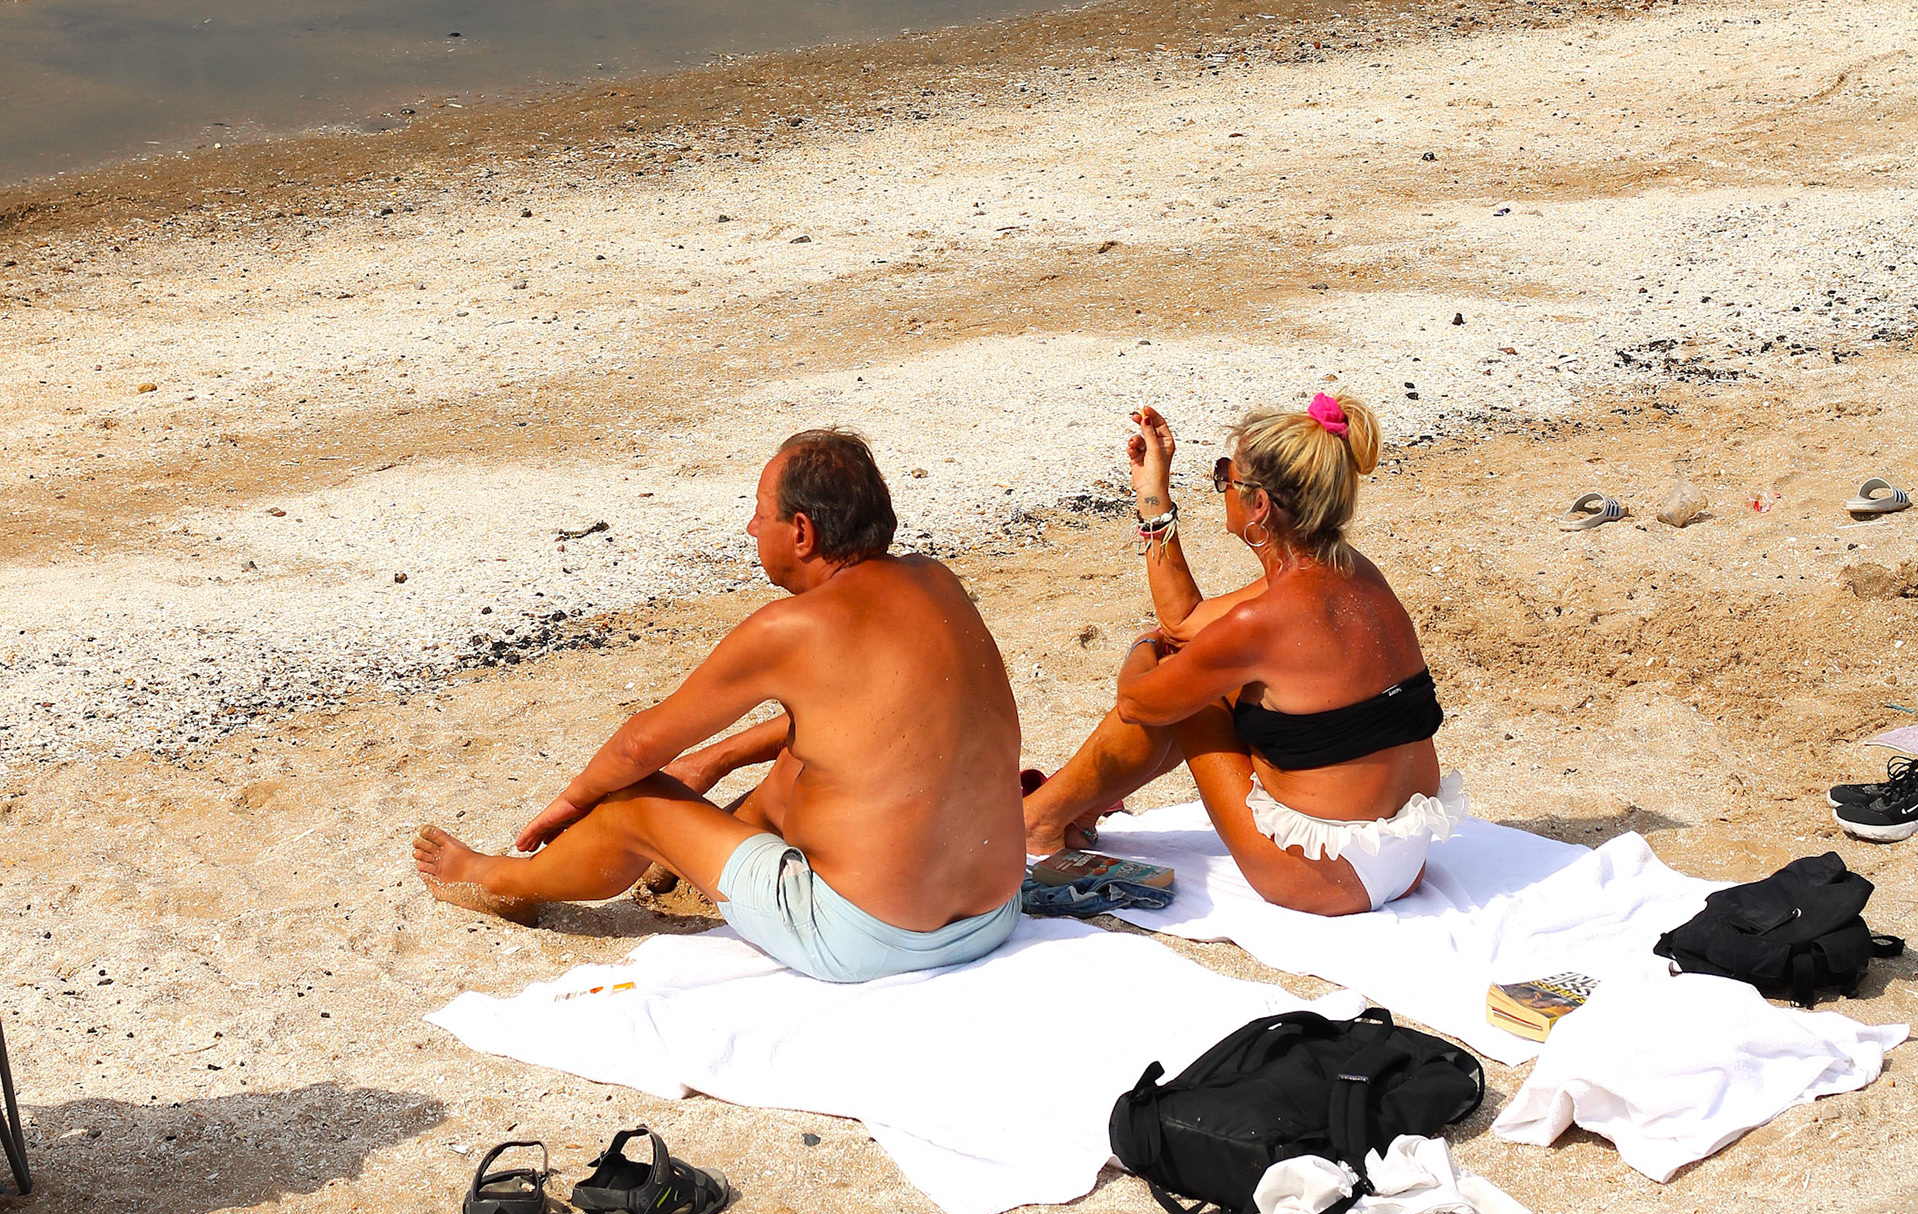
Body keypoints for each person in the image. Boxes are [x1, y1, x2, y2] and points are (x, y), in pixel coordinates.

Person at [414, 429, 1026, 982]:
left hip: (867, 939)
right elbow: (870, 725)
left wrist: (574, 802)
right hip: (992, 915)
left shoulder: (792, 629)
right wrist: (716, 759)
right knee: (805, 760)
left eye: (761, 513)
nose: (752, 529)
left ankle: (496, 879)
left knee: (636, 802)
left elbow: (638, 747)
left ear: (802, 532)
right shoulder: (936, 581)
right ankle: (703, 861)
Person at [1023, 393, 1464, 916]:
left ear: (1259, 506)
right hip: (1408, 859)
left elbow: (1138, 701)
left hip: (1326, 879)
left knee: (1182, 688)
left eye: (1224, 478)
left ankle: (1038, 819)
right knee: (1210, 674)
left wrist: (1143, 645)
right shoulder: (1355, 572)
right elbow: (1186, 620)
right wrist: (1152, 493)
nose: (1221, 488)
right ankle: (1073, 811)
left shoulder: (1261, 623)